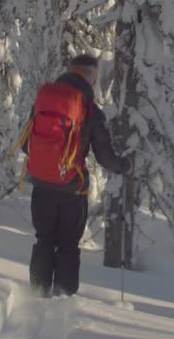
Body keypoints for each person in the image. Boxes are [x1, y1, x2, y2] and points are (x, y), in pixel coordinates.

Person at [21, 54, 132, 298]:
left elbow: (24, 145)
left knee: (44, 239)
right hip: (72, 189)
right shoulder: (91, 111)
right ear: (91, 76)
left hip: (41, 186)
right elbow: (105, 157)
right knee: (68, 244)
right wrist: (123, 166)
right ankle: (63, 298)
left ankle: (37, 296)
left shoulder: (43, 101)